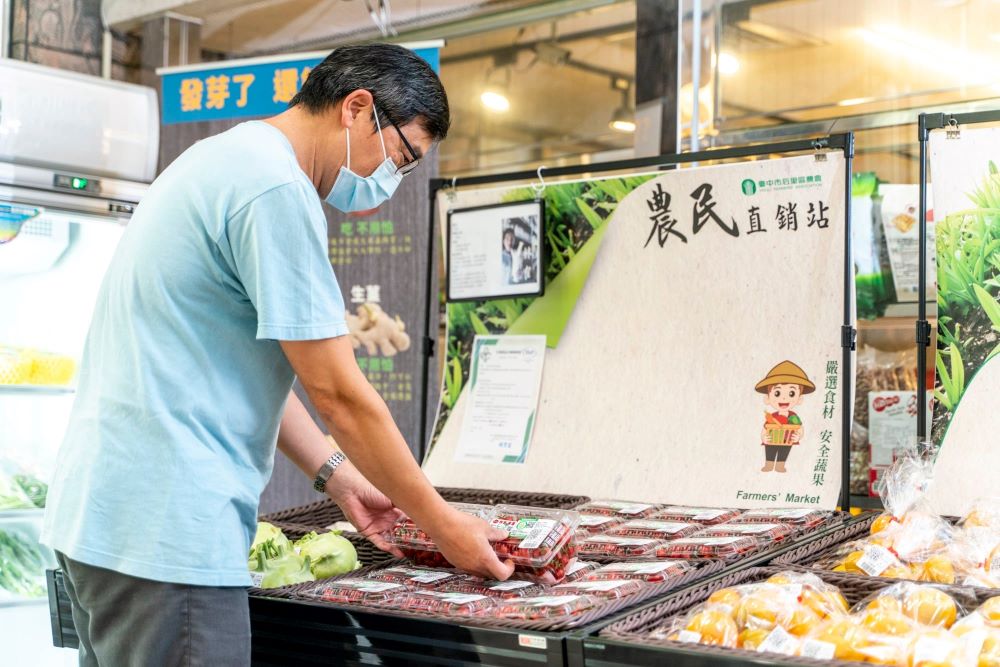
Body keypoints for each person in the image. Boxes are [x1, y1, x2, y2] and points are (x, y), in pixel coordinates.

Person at [41, 43, 514, 666]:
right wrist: (442, 524)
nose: (394, 183)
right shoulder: (275, 191)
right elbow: (338, 394)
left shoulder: (223, 159)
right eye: (401, 158)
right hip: (168, 534)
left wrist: (340, 478)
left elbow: (252, 367)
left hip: (106, 525)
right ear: (356, 108)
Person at [755, 360, 815, 473]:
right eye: (777, 393)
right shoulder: (771, 417)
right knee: (770, 451)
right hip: (772, 440)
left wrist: (798, 437)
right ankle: (769, 464)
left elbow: (799, 428)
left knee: (784, 452)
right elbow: (765, 428)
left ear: (799, 399)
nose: (783, 399)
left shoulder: (793, 417)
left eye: (791, 393)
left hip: (787, 440)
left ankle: (780, 465)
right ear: (767, 398)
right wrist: (764, 438)